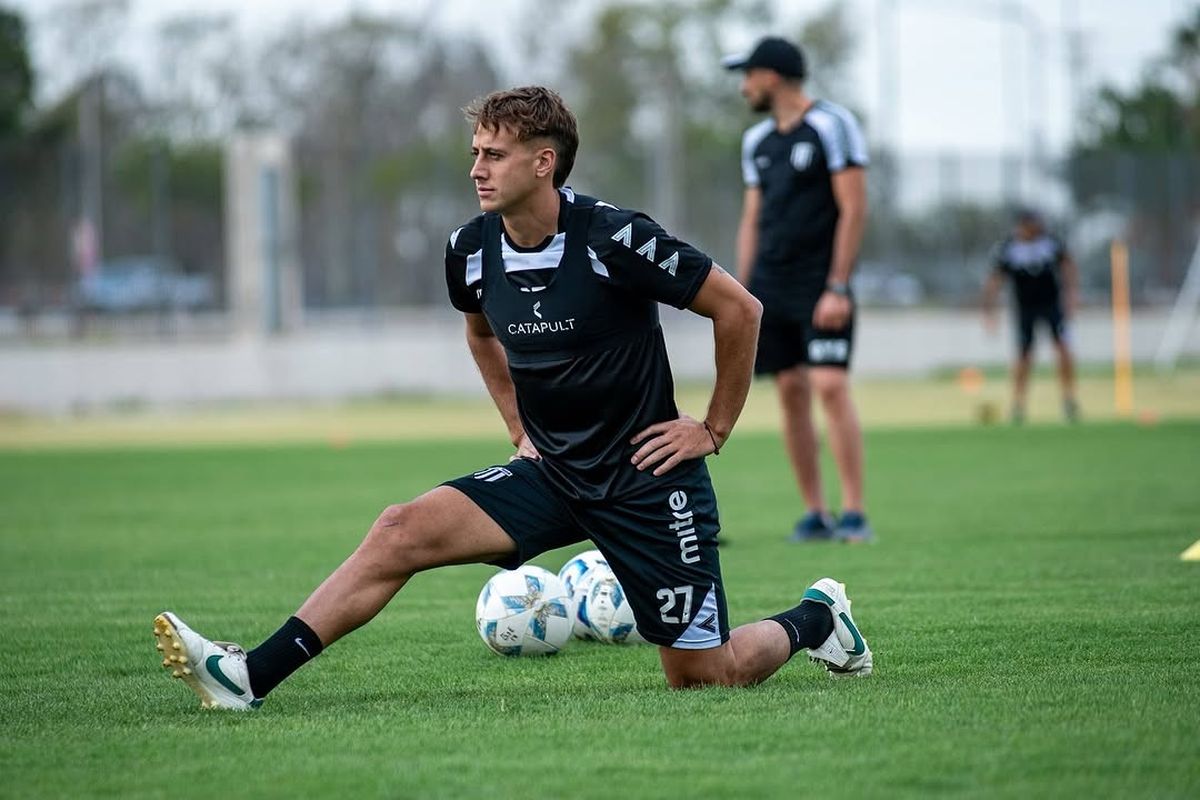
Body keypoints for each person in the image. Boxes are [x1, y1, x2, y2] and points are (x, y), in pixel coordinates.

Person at [152, 86, 874, 710]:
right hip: (552, 473)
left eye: (493, 154)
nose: (476, 169)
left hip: (648, 481)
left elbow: (739, 310)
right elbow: (480, 335)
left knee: (702, 679)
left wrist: (712, 429)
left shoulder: (615, 237)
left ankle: (818, 617)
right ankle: (248, 676)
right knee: (400, 529)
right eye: (475, 152)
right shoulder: (468, 250)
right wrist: (519, 427)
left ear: (543, 161)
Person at [722, 37, 873, 543]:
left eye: (748, 75)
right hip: (771, 286)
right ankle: (816, 513)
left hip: (820, 284)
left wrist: (838, 285)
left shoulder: (833, 124)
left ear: (772, 75)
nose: (744, 86)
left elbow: (853, 208)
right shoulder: (757, 142)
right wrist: (744, 295)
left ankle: (854, 513)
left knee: (829, 385)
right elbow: (752, 220)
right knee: (790, 391)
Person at [982, 209, 1081, 423]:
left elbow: (1068, 266)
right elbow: (994, 281)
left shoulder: (1051, 243)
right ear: (1022, 226)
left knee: (1063, 351)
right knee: (1024, 357)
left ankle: (1069, 400)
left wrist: (1072, 296)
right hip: (1025, 309)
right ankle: (1018, 404)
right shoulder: (1008, 249)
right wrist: (989, 312)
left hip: (1052, 306)